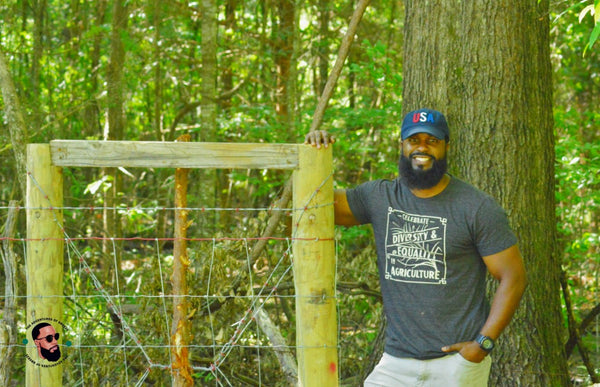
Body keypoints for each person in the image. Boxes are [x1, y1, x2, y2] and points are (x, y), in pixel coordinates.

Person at [305, 108, 527, 386]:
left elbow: (513, 277)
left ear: (447, 146)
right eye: (414, 140)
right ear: (402, 145)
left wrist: (482, 344)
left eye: (432, 141)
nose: (422, 148)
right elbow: (310, 205)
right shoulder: (379, 197)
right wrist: (311, 155)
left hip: (455, 365)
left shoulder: (476, 207)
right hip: (395, 364)